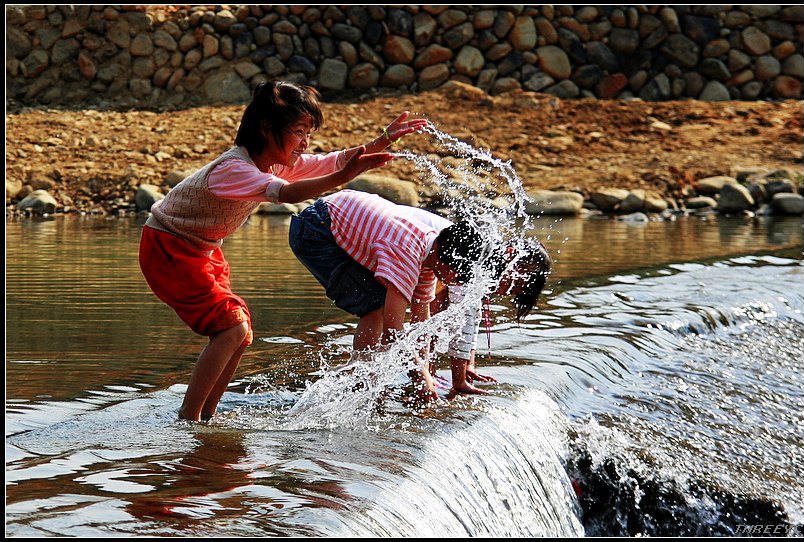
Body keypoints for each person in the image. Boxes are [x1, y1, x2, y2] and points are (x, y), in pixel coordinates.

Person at [139, 80, 428, 422]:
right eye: (298, 131)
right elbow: (287, 194)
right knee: (232, 327)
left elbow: (331, 161)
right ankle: (189, 419)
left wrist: (383, 140)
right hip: (169, 247)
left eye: (308, 132)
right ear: (266, 128)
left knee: (239, 333)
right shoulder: (233, 169)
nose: (305, 142)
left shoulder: (274, 162)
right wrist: (346, 175)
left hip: (202, 250)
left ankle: (207, 417)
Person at [288, 189, 486, 400]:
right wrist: (421, 376)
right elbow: (393, 331)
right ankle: (363, 384)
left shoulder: (429, 256)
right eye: (459, 272)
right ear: (449, 262)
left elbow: (421, 320)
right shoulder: (408, 255)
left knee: (380, 302)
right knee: (376, 306)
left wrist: (426, 372)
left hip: (333, 217)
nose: (458, 279)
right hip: (315, 229)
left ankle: (369, 382)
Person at [429, 238, 551, 395]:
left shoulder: (481, 272)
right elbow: (462, 324)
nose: (508, 292)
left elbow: (472, 319)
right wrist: (459, 382)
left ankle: (428, 370)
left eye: (515, 292)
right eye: (516, 284)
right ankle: (426, 371)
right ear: (511, 256)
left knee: (433, 321)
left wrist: (468, 366)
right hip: (402, 259)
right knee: (432, 322)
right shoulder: (471, 264)